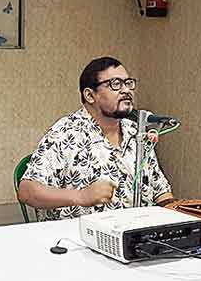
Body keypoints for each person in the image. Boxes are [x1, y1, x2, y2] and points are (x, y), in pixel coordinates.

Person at [18, 56, 174, 221]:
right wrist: (80, 196)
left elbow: (161, 191)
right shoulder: (65, 132)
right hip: (77, 241)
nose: (126, 90)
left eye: (128, 83)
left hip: (135, 238)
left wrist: (178, 218)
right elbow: (27, 191)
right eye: (115, 84)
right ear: (90, 95)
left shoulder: (137, 133)